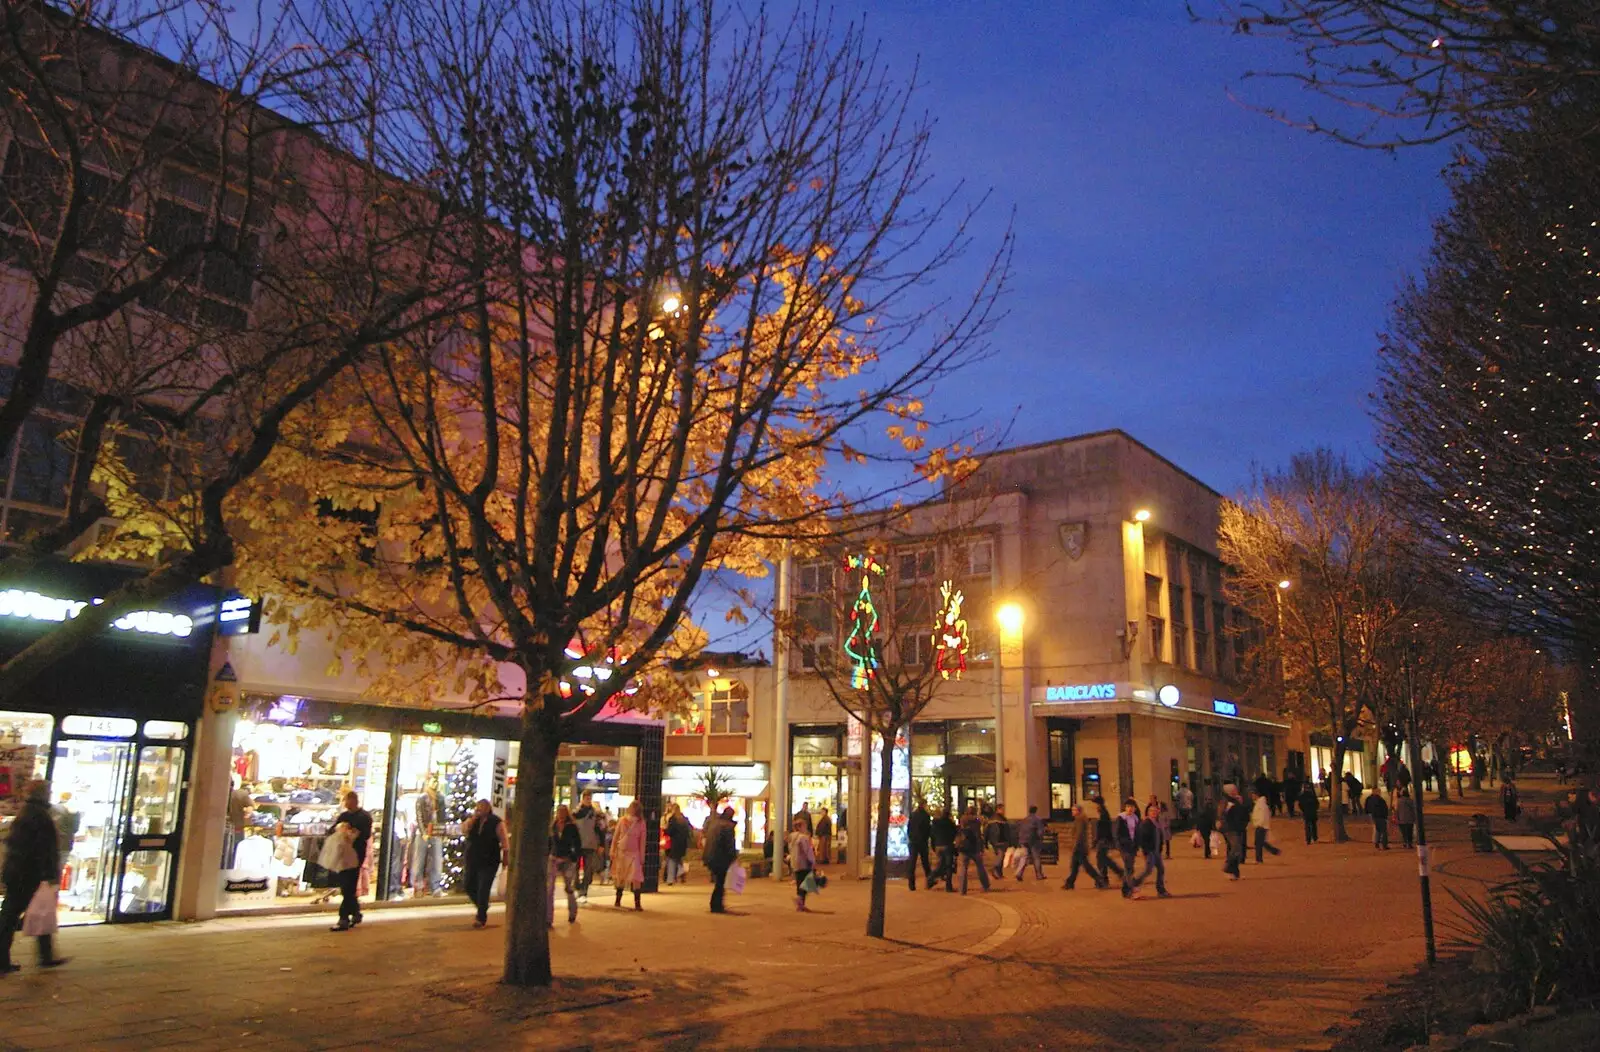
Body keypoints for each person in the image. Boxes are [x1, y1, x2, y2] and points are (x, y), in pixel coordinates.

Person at [1, 780, 65, 973]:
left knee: (26, 913)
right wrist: (48, 873)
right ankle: (42, 956)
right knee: (12, 916)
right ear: (43, 793)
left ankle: (45, 955)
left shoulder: (29, 812)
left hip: (20, 872)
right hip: (27, 874)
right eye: (48, 791)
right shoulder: (38, 815)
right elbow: (42, 849)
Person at [329, 791, 372, 932]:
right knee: (347, 885)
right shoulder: (344, 816)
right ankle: (355, 912)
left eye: (346, 800)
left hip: (356, 854)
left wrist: (352, 832)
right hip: (343, 854)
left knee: (349, 885)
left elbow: (365, 835)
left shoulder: (364, 817)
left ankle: (343, 918)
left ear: (353, 800)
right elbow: (332, 830)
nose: (345, 803)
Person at [464, 799, 509, 929]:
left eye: (481, 808)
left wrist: (505, 858)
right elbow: (464, 830)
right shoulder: (474, 821)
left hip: (489, 860)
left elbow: (504, 841)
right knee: (468, 885)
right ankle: (482, 905)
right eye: (477, 808)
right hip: (473, 859)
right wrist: (473, 819)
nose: (479, 810)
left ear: (488, 808)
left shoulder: (496, 822)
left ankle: (481, 918)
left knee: (484, 887)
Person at [546, 804, 580, 927]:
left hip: (567, 859)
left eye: (562, 812)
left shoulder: (571, 827)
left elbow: (577, 843)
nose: (560, 815)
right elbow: (549, 842)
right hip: (554, 858)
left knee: (568, 888)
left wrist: (574, 857)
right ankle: (548, 918)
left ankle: (572, 912)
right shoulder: (553, 826)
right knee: (549, 889)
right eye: (559, 812)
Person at [1128, 803, 1171, 899]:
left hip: (1156, 851)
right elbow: (1142, 839)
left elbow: (1159, 837)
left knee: (1161, 869)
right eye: (1152, 811)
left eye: (1156, 811)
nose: (1154, 813)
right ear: (1148, 812)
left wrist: (1160, 849)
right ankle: (1133, 884)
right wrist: (1145, 851)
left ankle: (1161, 890)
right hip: (1150, 851)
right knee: (1148, 870)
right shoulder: (1146, 823)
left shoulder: (1156, 823)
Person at [610, 800, 646, 911]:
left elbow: (642, 841)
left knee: (636, 878)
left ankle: (637, 903)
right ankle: (618, 900)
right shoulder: (622, 821)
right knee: (620, 876)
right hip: (622, 852)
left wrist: (641, 855)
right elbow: (616, 836)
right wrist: (613, 849)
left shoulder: (641, 823)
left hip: (633, 853)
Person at [1059, 803, 1105, 890]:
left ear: (1078, 811)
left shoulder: (1080, 819)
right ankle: (1070, 883)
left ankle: (1100, 880)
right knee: (1074, 866)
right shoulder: (1079, 819)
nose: (1072, 812)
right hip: (1079, 847)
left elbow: (1079, 834)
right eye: (1072, 810)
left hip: (1079, 847)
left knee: (1086, 867)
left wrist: (1075, 846)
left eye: (1074, 810)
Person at [703, 807, 738, 914]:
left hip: (711, 856)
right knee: (720, 882)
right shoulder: (728, 827)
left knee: (719, 881)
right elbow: (729, 845)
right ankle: (716, 905)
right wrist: (733, 857)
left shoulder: (715, 823)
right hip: (720, 858)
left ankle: (716, 904)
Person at [572, 791, 602, 901]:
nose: (588, 800)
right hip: (578, 844)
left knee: (588, 870)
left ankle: (584, 891)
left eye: (590, 798)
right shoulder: (576, 812)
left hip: (590, 844)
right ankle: (578, 887)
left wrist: (601, 844)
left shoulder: (595, 813)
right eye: (587, 798)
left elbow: (599, 829)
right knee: (575, 869)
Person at [956, 807, 991, 895]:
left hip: (964, 846)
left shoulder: (963, 819)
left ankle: (962, 890)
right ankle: (985, 885)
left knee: (963, 868)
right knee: (980, 867)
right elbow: (979, 834)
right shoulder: (977, 820)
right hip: (975, 846)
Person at [1092, 796, 1124, 885]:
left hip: (1103, 840)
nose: (1094, 807)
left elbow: (1104, 829)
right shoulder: (1102, 813)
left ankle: (1108, 877)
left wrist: (1097, 840)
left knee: (1102, 859)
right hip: (1103, 840)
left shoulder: (1104, 814)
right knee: (1103, 859)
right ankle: (1109, 877)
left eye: (1095, 804)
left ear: (1099, 804)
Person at [1113, 799, 1141, 897]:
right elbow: (1116, 833)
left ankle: (1125, 890)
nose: (1130, 809)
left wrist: (1137, 845)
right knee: (1129, 868)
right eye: (1128, 807)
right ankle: (1130, 889)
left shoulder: (1135, 818)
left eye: (1132, 807)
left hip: (1132, 846)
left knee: (1129, 868)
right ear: (1125, 808)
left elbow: (1137, 832)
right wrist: (1119, 846)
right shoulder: (1121, 818)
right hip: (1124, 847)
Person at [1221, 787, 1250, 880]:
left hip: (1236, 829)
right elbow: (1226, 817)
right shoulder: (1229, 803)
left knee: (1236, 850)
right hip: (1232, 829)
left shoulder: (1234, 803)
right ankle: (1228, 866)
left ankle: (1234, 873)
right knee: (1235, 848)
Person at [1014, 805, 1047, 880]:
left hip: (1023, 840)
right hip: (1033, 840)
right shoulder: (1037, 819)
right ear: (1036, 811)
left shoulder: (1025, 819)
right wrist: (1040, 839)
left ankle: (1019, 873)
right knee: (1036, 857)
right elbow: (1040, 831)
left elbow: (1019, 829)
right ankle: (1039, 875)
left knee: (1024, 857)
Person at [930, 806, 959, 892]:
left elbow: (932, 835)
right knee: (948, 866)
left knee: (940, 865)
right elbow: (954, 833)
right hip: (947, 845)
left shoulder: (936, 823)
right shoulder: (950, 823)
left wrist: (933, 846)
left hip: (938, 845)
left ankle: (930, 878)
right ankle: (948, 886)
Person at [907, 800, 933, 890]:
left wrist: (910, 837)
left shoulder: (913, 814)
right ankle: (930, 881)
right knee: (925, 862)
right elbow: (927, 829)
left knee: (912, 863)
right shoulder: (925, 816)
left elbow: (909, 827)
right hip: (922, 841)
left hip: (913, 841)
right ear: (924, 805)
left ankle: (911, 884)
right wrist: (927, 838)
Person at [663, 804, 691, 885]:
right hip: (683, 843)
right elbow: (688, 831)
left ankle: (671, 879)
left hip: (674, 843)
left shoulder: (673, 819)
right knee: (678, 859)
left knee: (671, 860)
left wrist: (665, 831)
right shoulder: (684, 819)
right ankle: (680, 871)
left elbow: (670, 831)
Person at [1251, 790, 1282, 863]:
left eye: (1253, 795)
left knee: (1259, 843)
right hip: (1260, 825)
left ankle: (1259, 859)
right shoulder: (1259, 804)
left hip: (1261, 826)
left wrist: (1259, 824)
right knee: (1260, 842)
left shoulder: (1261, 805)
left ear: (1256, 795)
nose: (1252, 797)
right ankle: (1274, 851)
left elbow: (1263, 816)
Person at [985, 805, 1012, 878]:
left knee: (1000, 856)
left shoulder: (991, 819)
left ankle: (999, 873)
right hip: (1000, 840)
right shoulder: (1002, 819)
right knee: (1001, 855)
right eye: (1002, 809)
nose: (1004, 811)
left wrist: (986, 841)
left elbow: (986, 831)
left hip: (994, 840)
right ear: (998, 809)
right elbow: (1006, 831)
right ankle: (994, 868)